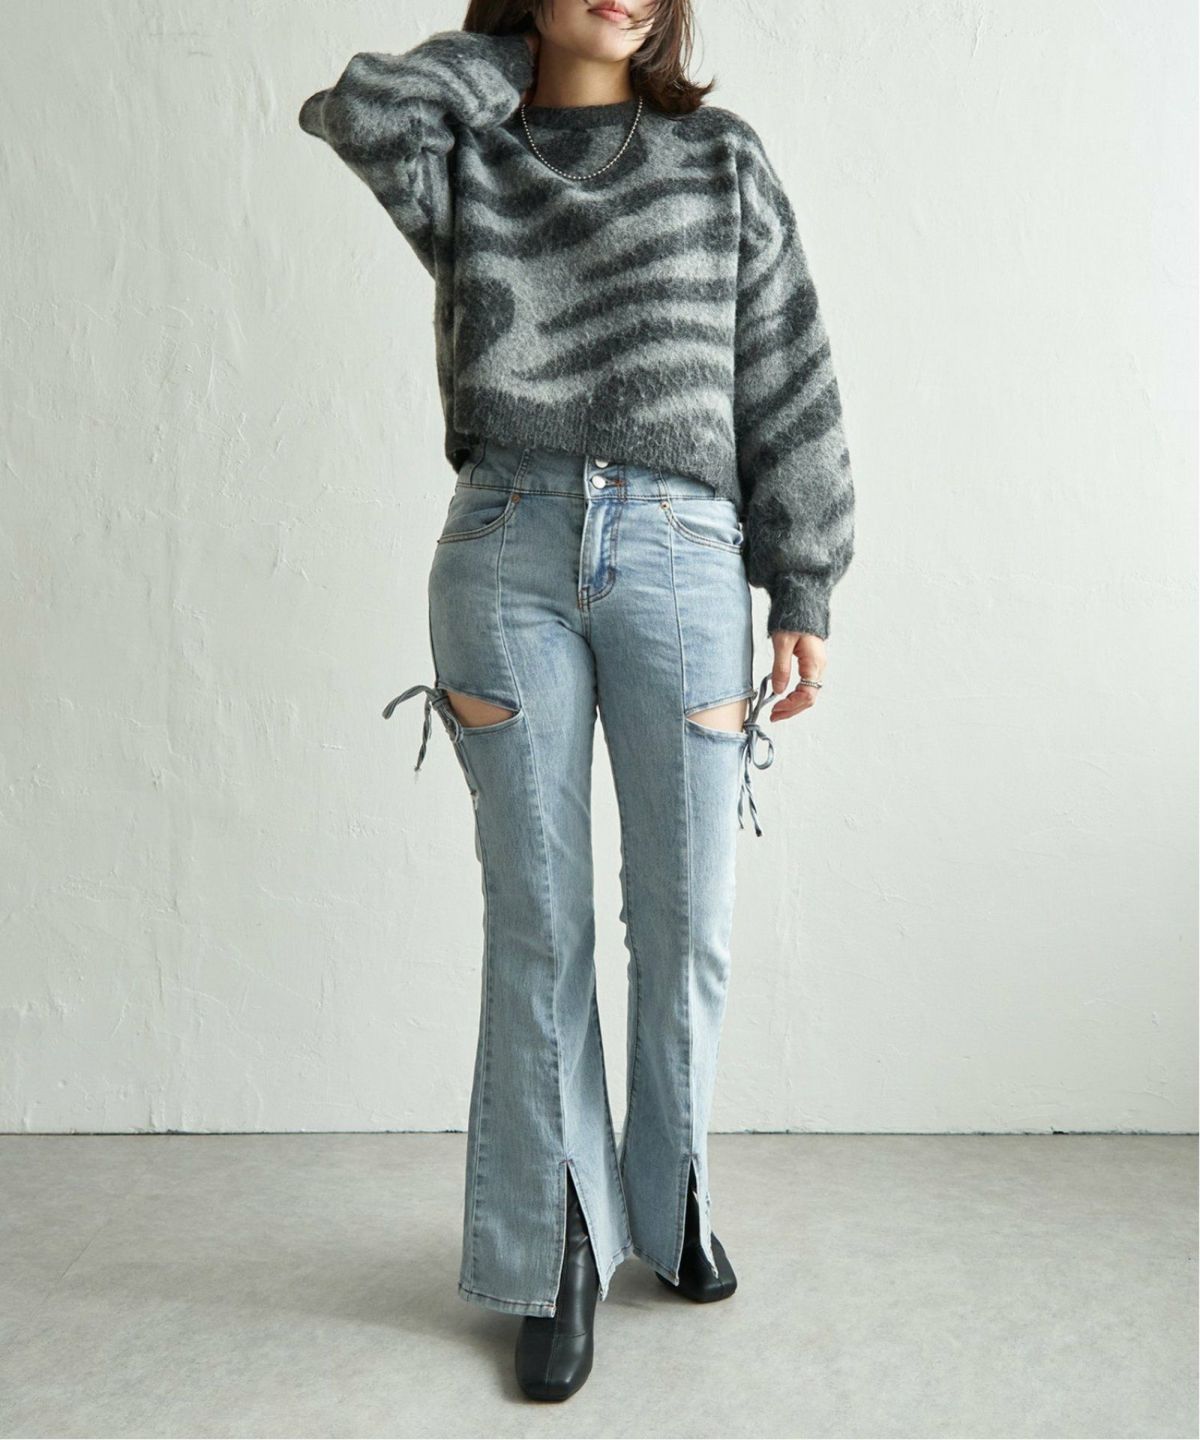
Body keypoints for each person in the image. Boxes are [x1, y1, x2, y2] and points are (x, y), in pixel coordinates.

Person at [298, 0, 855, 1403]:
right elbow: (359, 107)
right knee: (538, 922)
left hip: (683, 552)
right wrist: (520, 51)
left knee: (687, 919)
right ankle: (557, 1243)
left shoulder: (720, 158)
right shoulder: (471, 154)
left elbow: (785, 365)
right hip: (505, 548)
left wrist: (803, 584)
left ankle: (668, 1200)